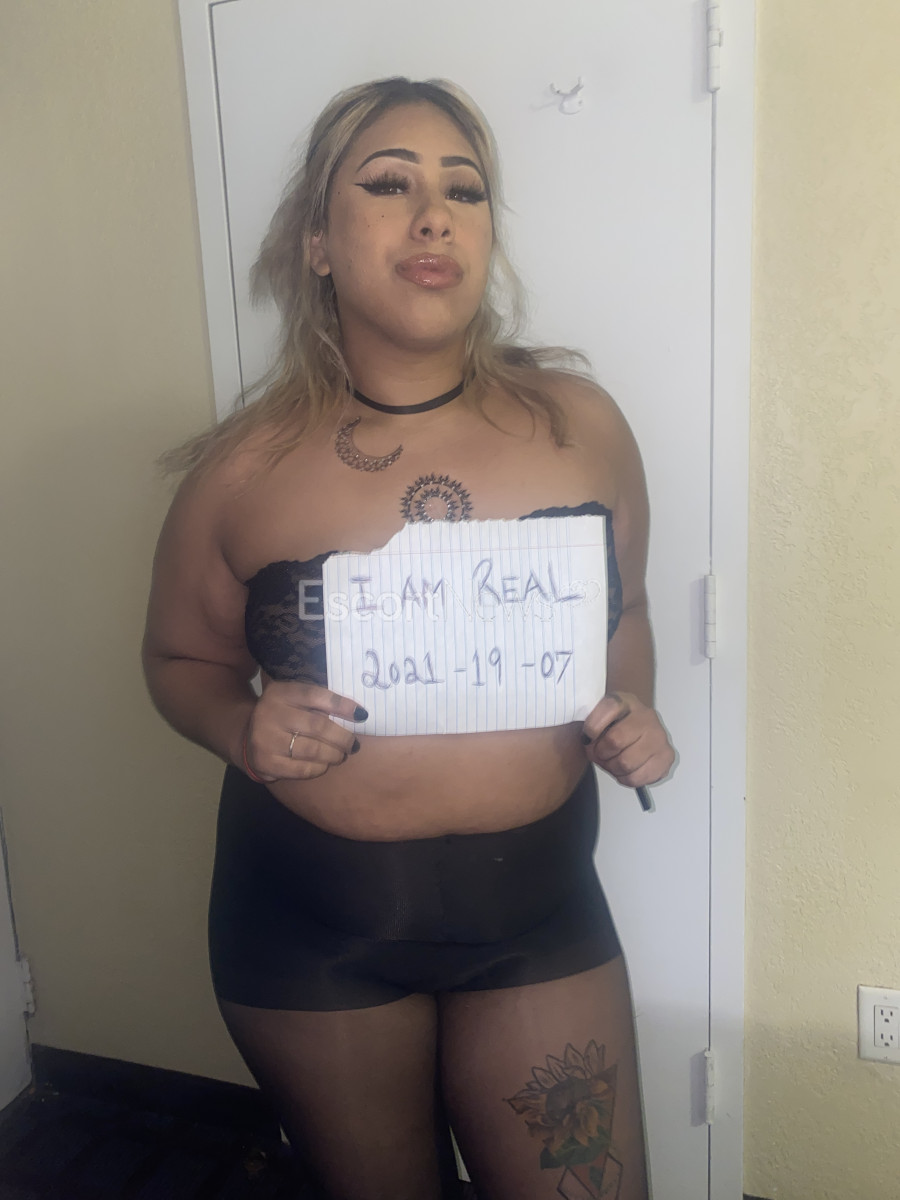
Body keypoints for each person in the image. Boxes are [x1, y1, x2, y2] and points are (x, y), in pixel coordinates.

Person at [143, 77, 674, 1200]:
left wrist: (634, 707)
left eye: (464, 191)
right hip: (308, 932)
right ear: (317, 243)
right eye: (389, 184)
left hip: (539, 910)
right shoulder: (242, 469)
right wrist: (239, 726)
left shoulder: (579, 426)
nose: (435, 217)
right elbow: (179, 659)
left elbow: (624, 612)